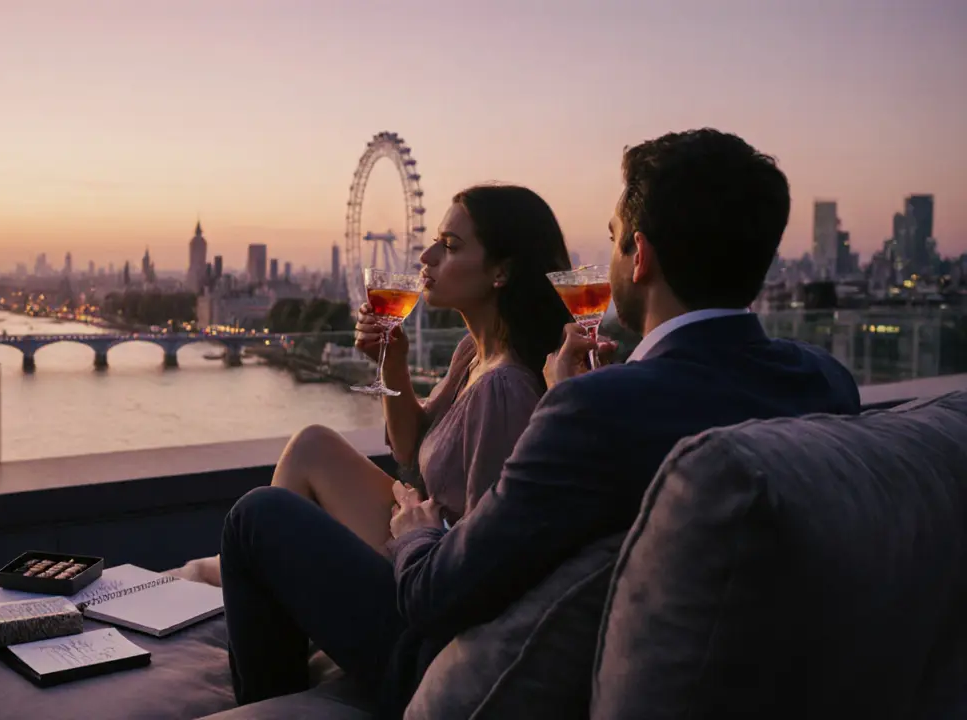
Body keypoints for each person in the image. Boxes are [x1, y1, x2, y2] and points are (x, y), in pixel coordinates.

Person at [219, 128, 862, 717]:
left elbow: (438, 592)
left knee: (257, 516)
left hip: (451, 666)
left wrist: (416, 533)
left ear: (639, 257)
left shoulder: (592, 411)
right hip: (753, 684)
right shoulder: (824, 382)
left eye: (612, 238)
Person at [171, 185, 574, 586]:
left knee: (240, 540)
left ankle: (240, 589)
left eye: (450, 246)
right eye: (435, 240)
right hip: (416, 531)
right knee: (311, 447)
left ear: (501, 272)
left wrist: (416, 536)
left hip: (426, 570)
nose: (426, 256)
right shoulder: (471, 353)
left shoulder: (503, 389)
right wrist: (393, 363)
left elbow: (483, 554)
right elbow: (409, 452)